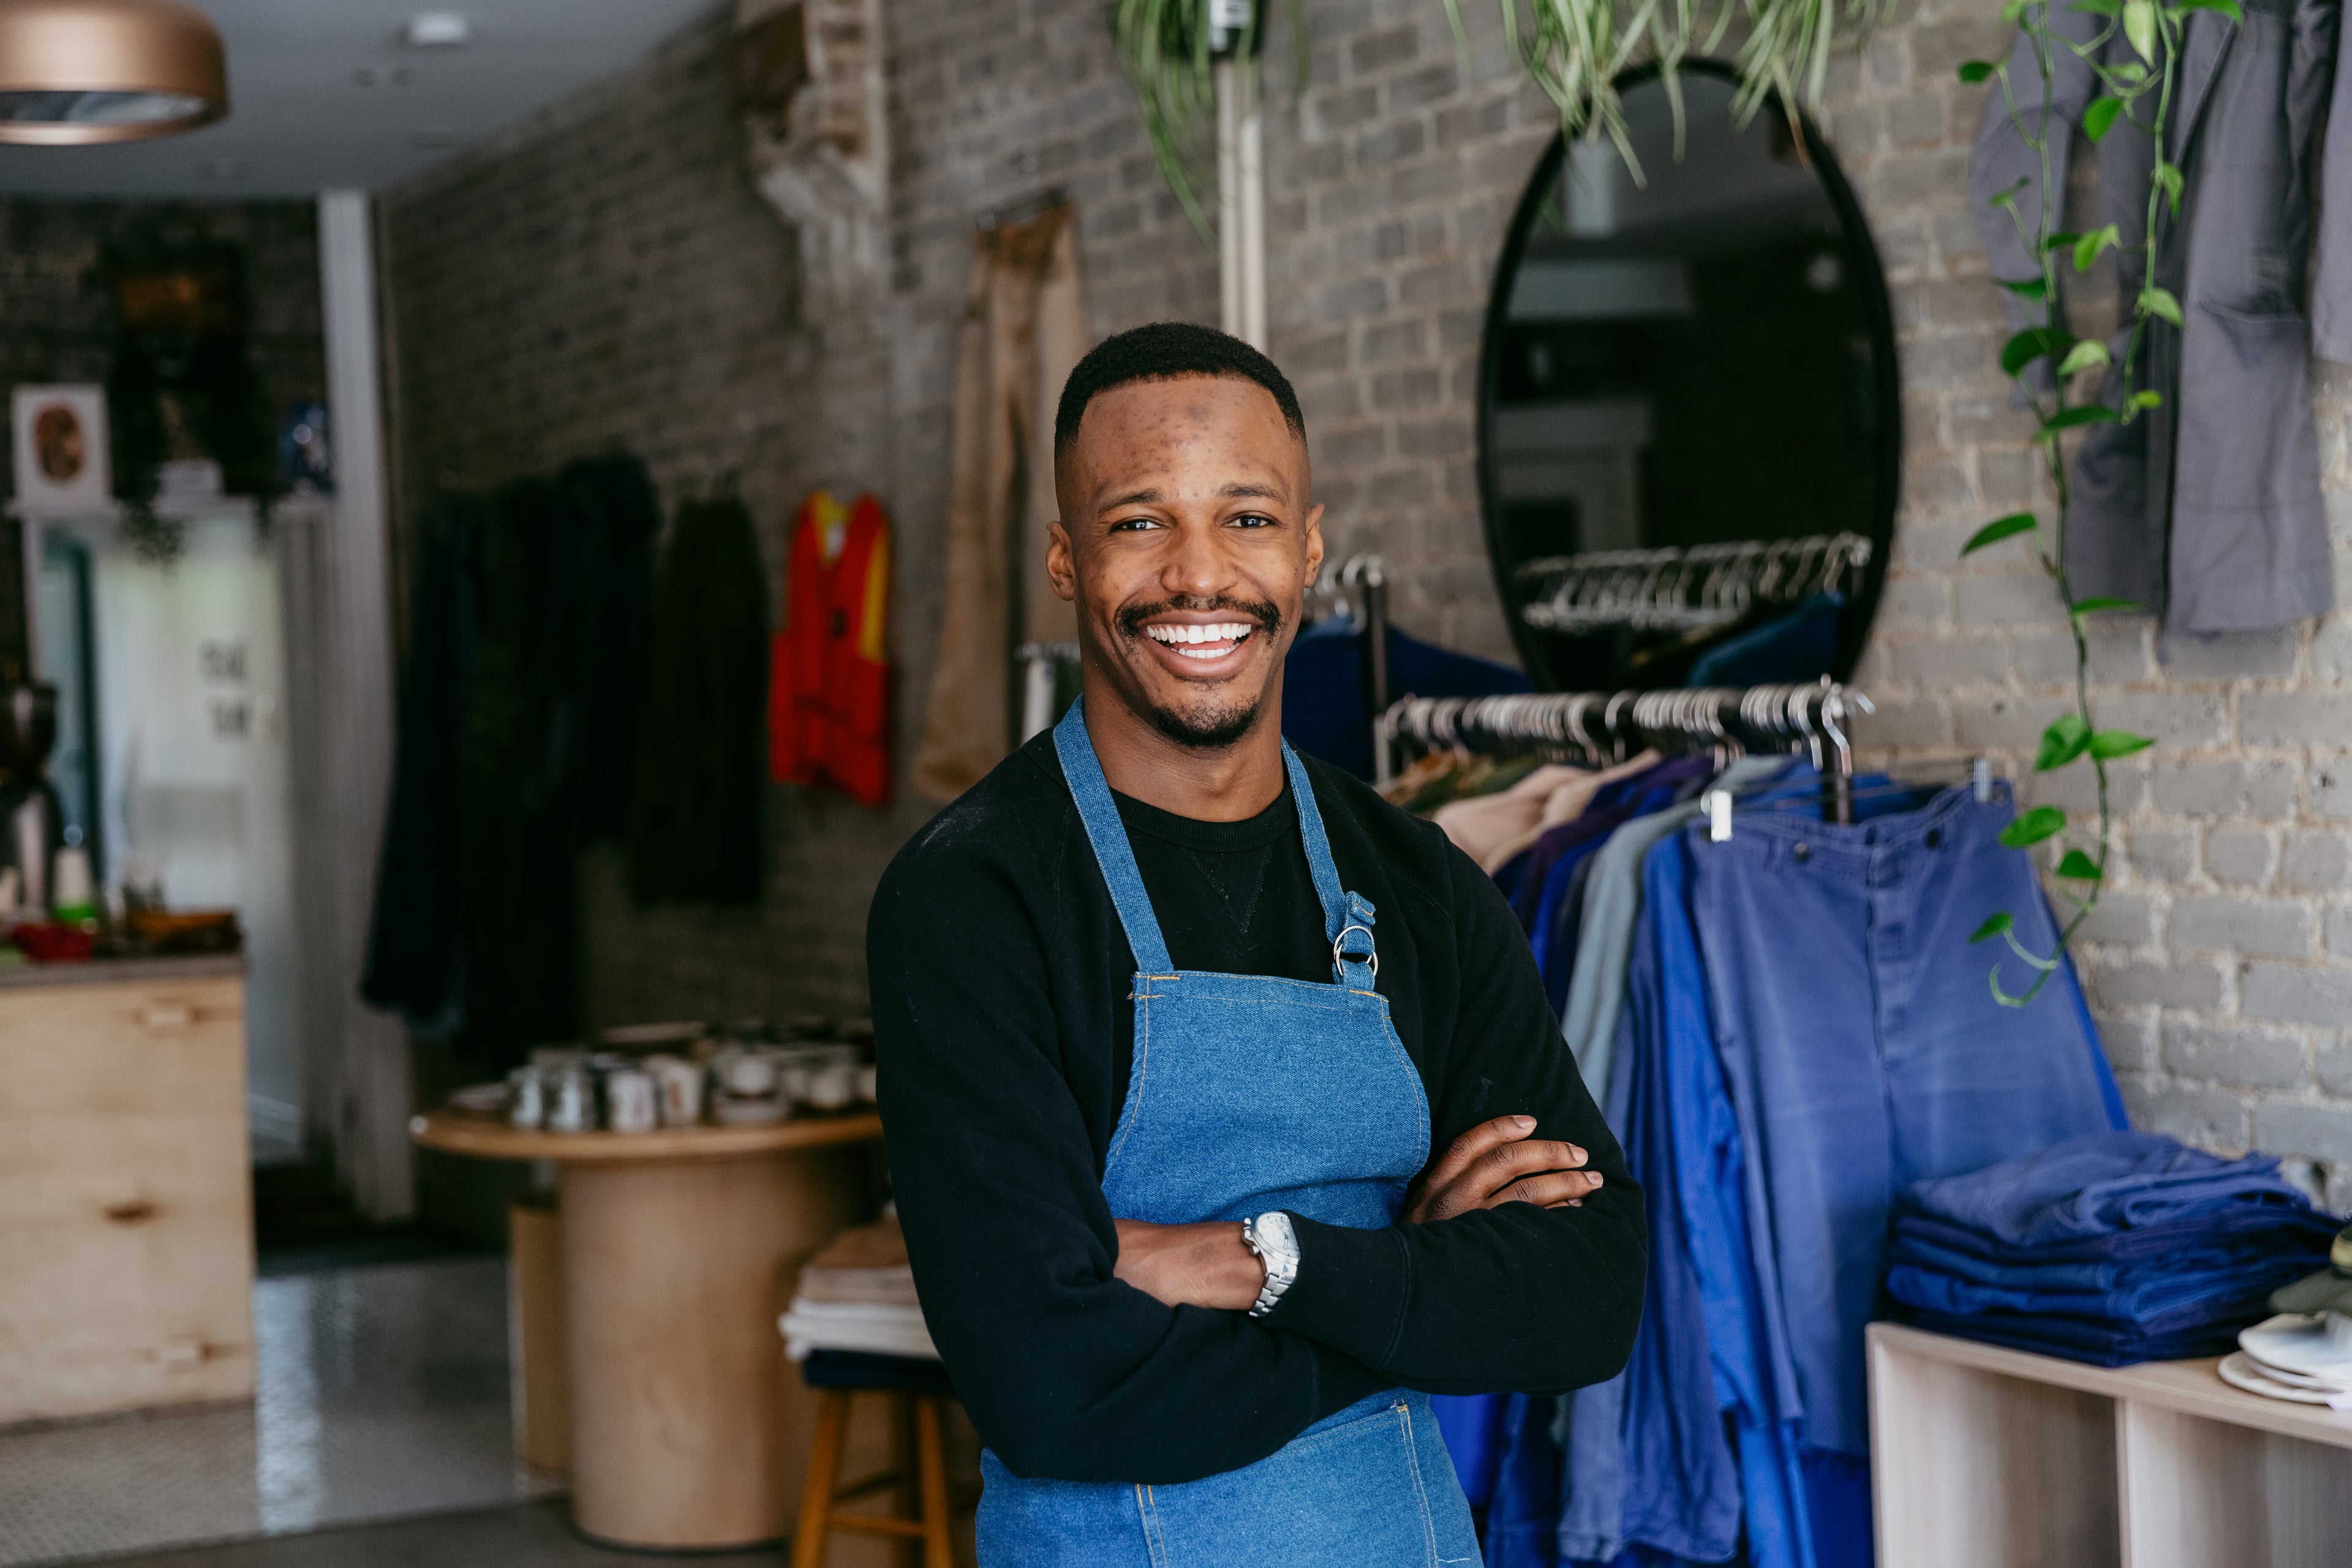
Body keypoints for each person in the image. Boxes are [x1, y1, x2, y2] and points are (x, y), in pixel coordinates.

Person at [871, 322, 1645, 1564]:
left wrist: (1263, 1262)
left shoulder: (1422, 885)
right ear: (1066, 558)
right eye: (1140, 521)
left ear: (1308, 547)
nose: (1199, 575)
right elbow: (1048, 1376)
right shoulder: (972, 897)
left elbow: (1589, 1295)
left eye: (1246, 517)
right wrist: (1408, 1282)